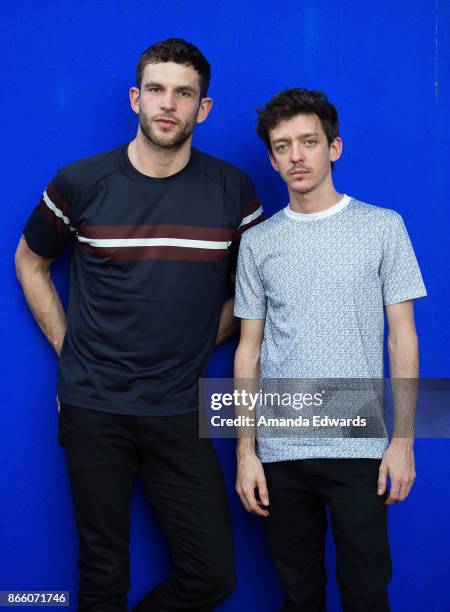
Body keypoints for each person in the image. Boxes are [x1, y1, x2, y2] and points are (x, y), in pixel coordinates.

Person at [15, 38, 263, 611]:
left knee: (212, 577)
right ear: (135, 98)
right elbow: (30, 260)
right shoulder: (80, 183)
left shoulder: (232, 190)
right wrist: (69, 348)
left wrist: (200, 339)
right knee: (103, 580)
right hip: (92, 408)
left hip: (178, 411)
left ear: (203, 108)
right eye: (156, 90)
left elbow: (256, 293)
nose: (167, 104)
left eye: (184, 93)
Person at [234, 88, 426, 611]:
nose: (296, 156)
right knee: (299, 597)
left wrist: (405, 440)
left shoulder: (383, 227)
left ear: (333, 148)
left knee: (367, 595)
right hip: (280, 450)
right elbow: (248, 350)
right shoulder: (259, 242)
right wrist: (245, 453)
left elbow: (402, 336)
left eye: (308, 142)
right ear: (272, 158)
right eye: (282, 146)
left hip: (359, 447)